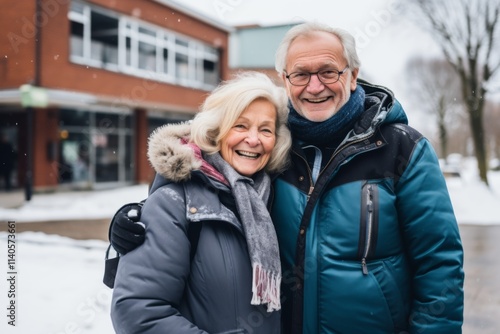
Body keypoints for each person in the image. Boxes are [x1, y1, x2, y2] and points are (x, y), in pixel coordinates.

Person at [109, 22, 464, 333]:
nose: (314, 86)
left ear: (353, 75)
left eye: (328, 72)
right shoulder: (277, 148)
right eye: (300, 74)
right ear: (286, 80)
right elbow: (208, 167)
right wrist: (140, 215)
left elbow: (439, 263)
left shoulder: (402, 148)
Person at [110, 71, 292, 333]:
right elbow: (138, 311)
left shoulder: (272, 197)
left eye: (265, 129)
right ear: (215, 131)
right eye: (240, 125)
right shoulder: (173, 204)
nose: (253, 140)